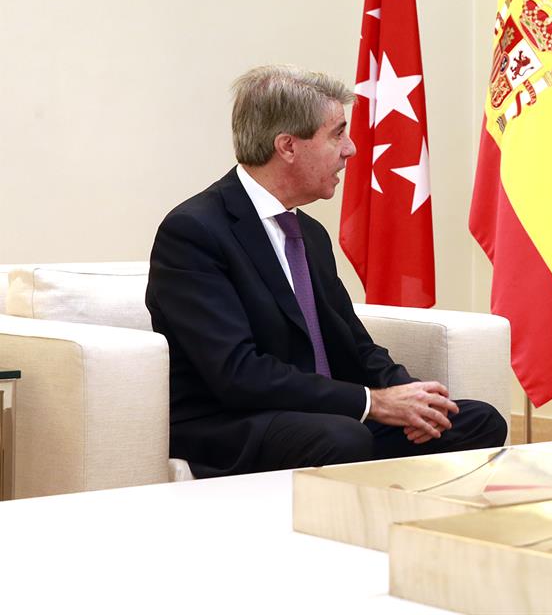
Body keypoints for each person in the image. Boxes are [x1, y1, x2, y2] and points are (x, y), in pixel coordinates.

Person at [147, 65, 506, 478]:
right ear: (287, 146)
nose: (350, 149)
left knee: (476, 421)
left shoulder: (308, 234)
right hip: (232, 422)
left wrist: (409, 396)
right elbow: (237, 374)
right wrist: (373, 403)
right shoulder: (194, 231)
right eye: (337, 133)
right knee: (344, 438)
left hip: (321, 416)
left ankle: (399, 524)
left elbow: (353, 344)